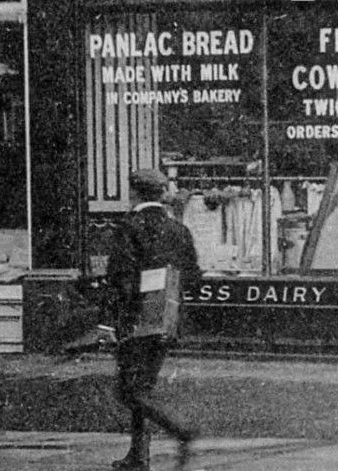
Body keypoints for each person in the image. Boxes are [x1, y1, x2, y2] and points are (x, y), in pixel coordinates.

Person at [105, 169, 202, 470]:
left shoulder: (129, 227)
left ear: (133, 192)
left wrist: (112, 320)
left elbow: (120, 278)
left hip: (136, 316)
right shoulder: (179, 230)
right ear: (161, 194)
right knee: (143, 386)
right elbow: (193, 277)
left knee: (128, 390)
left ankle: (180, 429)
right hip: (167, 315)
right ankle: (139, 455)